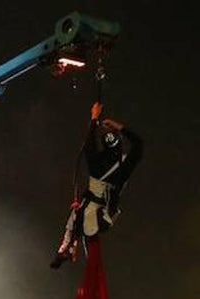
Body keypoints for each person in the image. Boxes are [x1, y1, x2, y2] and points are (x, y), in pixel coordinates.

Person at [52, 101, 143, 268]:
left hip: (88, 215)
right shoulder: (124, 167)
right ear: (120, 141)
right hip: (103, 218)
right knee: (80, 221)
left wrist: (94, 117)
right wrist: (118, 126)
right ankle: (70, 246)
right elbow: (138, 144)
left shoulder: (96, 162)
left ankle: (67, 246)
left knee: (75, 219)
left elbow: (89, 145)